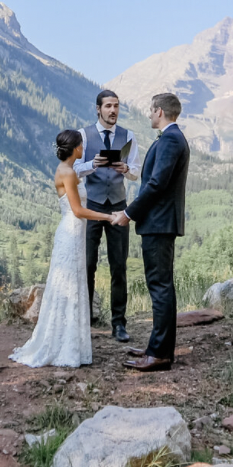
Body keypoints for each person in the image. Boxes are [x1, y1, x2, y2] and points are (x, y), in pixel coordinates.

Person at [10, 129, 125, 368]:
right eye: (81, 145)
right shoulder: (68, 174)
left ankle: (70, 342)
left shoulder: (68, 171)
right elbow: (79, 210)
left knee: (71, 284)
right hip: (72, 232)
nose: (83, 147)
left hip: (73, 231)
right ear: (76, 148)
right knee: (70, 285)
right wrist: (108, 217)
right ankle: (66, 345)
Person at [117, 92, 189, 372]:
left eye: (151, 110)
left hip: (158, 224)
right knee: (161, 286)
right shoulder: (172, 138)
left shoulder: (171, 139)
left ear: (160, 111)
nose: (149, 114)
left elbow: (157, 184)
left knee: (160, 287)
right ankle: (157, 347)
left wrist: (128, 212)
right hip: (159, 223)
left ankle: (159, 354)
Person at [73, 89, 139, 341]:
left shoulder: (128, 136)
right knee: (88, 264)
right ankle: (85, 321)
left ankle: (119, 324)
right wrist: (93, 164)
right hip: (92, 206)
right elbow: (74, 169)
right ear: (98, 109)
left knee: (119, 265)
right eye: (109, 106)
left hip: (119, 205)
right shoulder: (84, 135)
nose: (113, 110)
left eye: (117, 106)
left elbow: (135, 171)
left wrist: (126, 169)